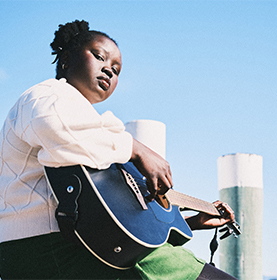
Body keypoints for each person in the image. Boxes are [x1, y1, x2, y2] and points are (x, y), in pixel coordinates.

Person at [0, 20, 237, 279]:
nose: (109, 71)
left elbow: (114, 215)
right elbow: (61, 131)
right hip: (46, 247)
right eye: (100, 57)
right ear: (66, 59)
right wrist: (137, 150)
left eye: (116, 69)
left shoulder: (94, 127)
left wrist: (187, 223)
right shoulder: (46, 95)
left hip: (76, 244)